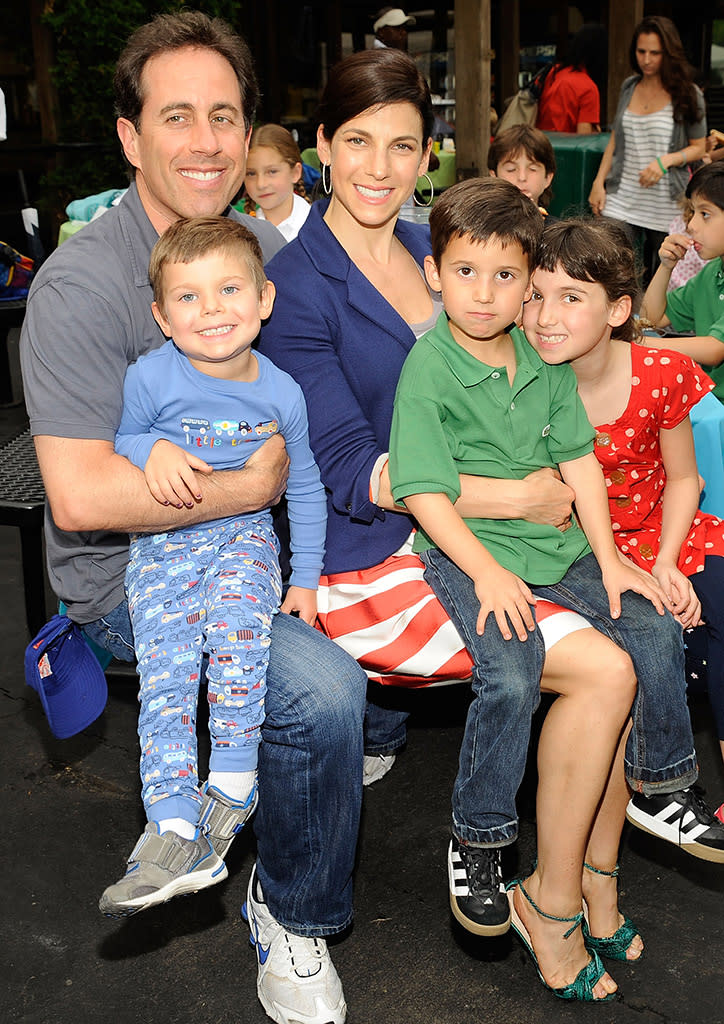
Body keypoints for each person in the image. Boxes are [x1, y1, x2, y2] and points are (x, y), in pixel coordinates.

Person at [259, 48, 713, 1001]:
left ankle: (577, 886)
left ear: (428, 155)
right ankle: (543, 884)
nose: (380, 167)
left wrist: (590, 444)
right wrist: (525, 496)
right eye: (357, 143)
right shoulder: (298, 284)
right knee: (604, 667)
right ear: (319, 150)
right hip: (383, 547)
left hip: (511, 533)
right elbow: (349, 467)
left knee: (635, 641)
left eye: (403, 145)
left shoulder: (454, 239)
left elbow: (557, 337)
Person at [20, 12, 366, 1024]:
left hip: (252, 544)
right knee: (322, 691)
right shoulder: (80, 287)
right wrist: (246, 486)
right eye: (178, 116)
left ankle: (325, 774)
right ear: (131, 137)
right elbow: (84, 496)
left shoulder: (258, 250)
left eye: (225, 115)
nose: (208, 140)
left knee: (394, 567)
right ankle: (291, 910)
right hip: (125, 573)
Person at [99, 216, 326, 916]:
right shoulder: (148, 376)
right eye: (189, 298)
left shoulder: (281, 391)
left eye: (229, 289)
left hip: (243, 538)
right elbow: (125, 438)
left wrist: (307, 580)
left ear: (264, 298)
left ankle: (232, 780)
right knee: (167, 678)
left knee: (236, 638)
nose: (213, 310)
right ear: (162, 316)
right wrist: (151, 452)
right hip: (162, 548)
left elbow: (308, 484)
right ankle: (170, 825)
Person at [523, 216, 724, 821]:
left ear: (618, 310)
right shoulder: (520, 384)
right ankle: (656, 778)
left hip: (665, 533)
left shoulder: (658, 374)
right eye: (534, 295)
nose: (545, 316)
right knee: (645, 630)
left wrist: (666, 561)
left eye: (570, 297)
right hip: (578, 552)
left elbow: (685, 479)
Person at [588, 15, 706, 283]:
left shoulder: (688, 94)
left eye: (655, 53)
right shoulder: (629, 87)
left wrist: (665, 161)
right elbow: (616, 139)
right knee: (609, 270)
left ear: (669, 53)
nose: (647, 59)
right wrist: (598, 182)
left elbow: (699, 148)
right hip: (622, 196)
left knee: (662, 279)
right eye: (641, 51)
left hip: (666, 203)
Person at [640, 162, 724, 403]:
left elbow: (715, 349)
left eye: (705, 214)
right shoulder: (711, 274)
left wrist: (635, 343)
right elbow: (651, 318)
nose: (691, 226)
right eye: (693, 212)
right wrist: (666, 267)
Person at [243, 124, 311, 241]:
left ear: (295, 172)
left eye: (272, 171)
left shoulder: (317, 227)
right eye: (251, 174)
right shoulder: (242, 229)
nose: (261, 184)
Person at [535, 24, 605, 135]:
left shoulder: (549, 74)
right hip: (565, 150)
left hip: (536, 146)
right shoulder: (588, 88)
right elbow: (584, 139)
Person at [487, 124, 556, 215]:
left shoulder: (557, 229)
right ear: (494, 176)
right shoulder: (478, 227)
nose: (522, 177)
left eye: (532, 169)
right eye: (511, 169)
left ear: (548, 178)